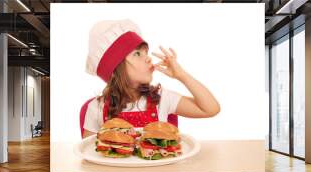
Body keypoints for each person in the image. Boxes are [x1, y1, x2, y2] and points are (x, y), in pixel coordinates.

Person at [82, 19, 220, 138]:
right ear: (115, 68)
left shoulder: (162, 98)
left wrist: (182, 75)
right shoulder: (96, 108)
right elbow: (89, 152)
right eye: (137, 53)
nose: (148, 58)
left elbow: (210, 109)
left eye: (146, 52)